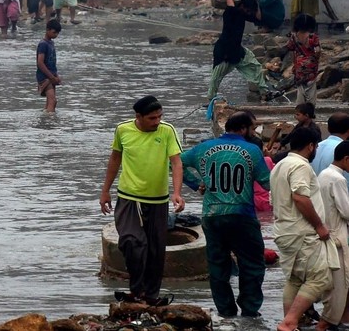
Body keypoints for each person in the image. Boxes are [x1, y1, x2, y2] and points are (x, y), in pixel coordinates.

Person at [181, 111, 270, 317]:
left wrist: (196, 184)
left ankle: (226, 311)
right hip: (243, 216)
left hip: (212, 215)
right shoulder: (252, 150)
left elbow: (175, 162)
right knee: (252, 264)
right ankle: (249, 309)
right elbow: (266, 183)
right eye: (253, 128)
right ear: (242, 129)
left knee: (218, 265)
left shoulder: (203, 148)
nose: (254, 131)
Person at [100, 96, 184, 306]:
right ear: (138, 117)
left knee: (156, 250)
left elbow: (176, 162)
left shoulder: (167, 131)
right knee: (132, 242)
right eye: (152, 118)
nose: (157, 121)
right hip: (129, 197)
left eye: (159, 117)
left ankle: (150, 295)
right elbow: (115, 159)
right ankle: (137, 289)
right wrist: (105, 191)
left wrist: (177, 192)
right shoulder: (123, 130)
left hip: (158, 200)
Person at [270, 127, 334, 331]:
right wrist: (319, 225)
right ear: (311, 146)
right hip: (301, 231)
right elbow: (300, 197)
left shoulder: (280, 165)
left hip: (284, 229)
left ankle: (291, 322)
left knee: (295, 278)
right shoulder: (300, 166)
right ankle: (290, 321)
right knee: (321, 277)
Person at [207, 0, 274, 100]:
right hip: (224, 51)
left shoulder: (243, 15)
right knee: (216, 77)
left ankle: (265, 92)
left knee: (255, 65)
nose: (248, 13)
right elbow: (231, 6)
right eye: (247, 10)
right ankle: (211, 99)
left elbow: (258, 16)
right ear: (242, 6)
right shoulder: (231, 13)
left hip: (237, 50)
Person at [316, 140, 349, 330]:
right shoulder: (338, 179)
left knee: (333, 285)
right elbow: (346, 211)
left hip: (329, 235)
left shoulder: (324, 175)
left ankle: (333, 321)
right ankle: (325, 323)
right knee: (339, 285)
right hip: (338, 236)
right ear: (346, 159)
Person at [286, 14, 321, 104]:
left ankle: (300, 107)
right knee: (311, 88)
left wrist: (295, 65)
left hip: (299, 66)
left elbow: (290, 49)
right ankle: (310, 109)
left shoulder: (293, 36)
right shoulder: (312, 37)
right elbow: (317, 51)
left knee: (300, 87)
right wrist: (316, 58)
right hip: (311, 66)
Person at [36, 19, 61, 112]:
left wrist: (56, 75)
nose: (56, 35)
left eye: (57, 33)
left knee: (50, 102)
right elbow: (40, 62)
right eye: (54, 32)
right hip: (44, 76)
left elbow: (52, 62)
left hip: (51, 76)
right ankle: (50, 122)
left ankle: (45, 118)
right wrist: (51, 77)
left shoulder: (51, 43)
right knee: (52, 101)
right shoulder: (43, 44)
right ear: (47, 30)